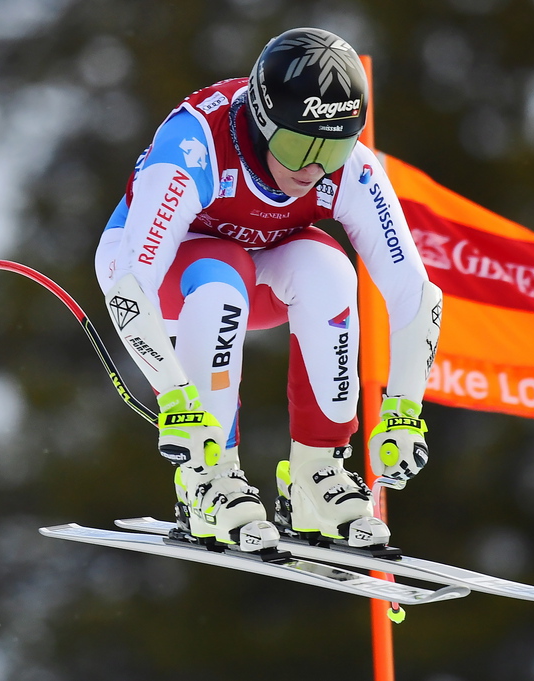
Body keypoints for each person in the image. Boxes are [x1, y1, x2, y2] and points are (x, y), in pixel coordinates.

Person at [94, 27, 442, 552]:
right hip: (162, 275)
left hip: (259, 268)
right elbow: (129, 287)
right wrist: (175, 398)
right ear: (261, 119)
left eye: (336, 146)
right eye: (299, 144)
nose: (313, 167)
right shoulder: (195, 145)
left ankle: (316, 475)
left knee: (329, 267)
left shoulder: (349, 168)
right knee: (220, 271)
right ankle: (207, 478)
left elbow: (416, 294)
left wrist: (404, 411)